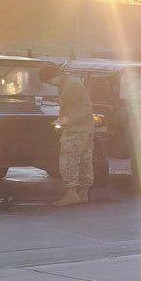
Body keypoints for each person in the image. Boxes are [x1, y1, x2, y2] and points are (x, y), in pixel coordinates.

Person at [38, 63, 93, 206]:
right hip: (84, 129)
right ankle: (83, 194)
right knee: (84, 161)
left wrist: (66, 120)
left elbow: (84, 108)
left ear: (54, 76)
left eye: (48, 81)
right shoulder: (71, 83)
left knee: (69, 162)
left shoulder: (71, 87)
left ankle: (71, 195)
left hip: (75, 130)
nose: (50, 85)